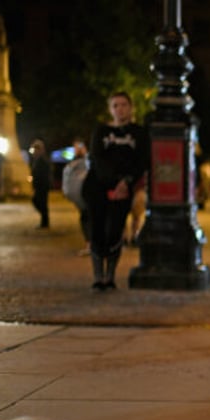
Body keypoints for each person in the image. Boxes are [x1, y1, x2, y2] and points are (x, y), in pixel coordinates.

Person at [82, 91, 150, 290]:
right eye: (115, 105)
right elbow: (96, 158)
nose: (120, 109)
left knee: (114, 230)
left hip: (124, 188)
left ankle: (110, 276)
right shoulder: (101, 131)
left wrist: (125, 183)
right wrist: (113, 181)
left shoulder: (139, 133)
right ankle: (98, 277)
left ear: (131, 108)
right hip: (98, 187)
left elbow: (141, 161)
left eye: (123, 105)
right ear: (110, 109)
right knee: (97, 229)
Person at [61, 139, 91, 255]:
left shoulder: (88, 160)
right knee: (85, 219)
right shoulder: (76, 161)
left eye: (78, 147)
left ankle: (91, 245)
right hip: (81, 197)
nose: (76, 149)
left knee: (88, 220)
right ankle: (90, 244)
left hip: (89, 196)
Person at [29, 139, 50, 229]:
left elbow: (43, 174)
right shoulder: (38, 160)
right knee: (40, 202)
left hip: (42, 185)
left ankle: (45, 222)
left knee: (41, 203)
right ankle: (44, 221)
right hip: (40, 185)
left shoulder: (42, 160)